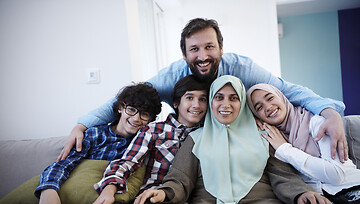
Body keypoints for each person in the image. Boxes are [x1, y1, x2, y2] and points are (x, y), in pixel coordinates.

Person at [58, 18, 348, 164]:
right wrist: (83, 124)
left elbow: (287, 90)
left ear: (221, 48)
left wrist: (330, 111)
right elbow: (132, 98)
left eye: (209, 47)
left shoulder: (242, 69)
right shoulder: (171, 76)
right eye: (194, 49)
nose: (202, 55)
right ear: (184, 55)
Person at [132, 75, 334, 204]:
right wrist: (164, 192)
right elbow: (180, 179)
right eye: (219, 97)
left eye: (233, 98)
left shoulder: (264, 134)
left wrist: (301, 193)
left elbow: (283, 175)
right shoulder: (195, 138)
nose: (225, 104)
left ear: (242, 102)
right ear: (211, 102)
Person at [0, 83, 162, 204]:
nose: (136, 118)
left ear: (151, 119)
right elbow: (63, 163)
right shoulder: (95, 134)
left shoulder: (144, 145)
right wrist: (49, 190)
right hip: (60, 195)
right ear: (120, 108)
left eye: (144, 114)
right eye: (131, 110)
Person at [85, 75, 209, 204]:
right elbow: (129, 161)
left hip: (171, 200)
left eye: (202, 99)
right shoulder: (155, 130)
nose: (196, 105)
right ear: (176, 103)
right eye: (189, 98)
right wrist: (109, 189)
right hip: (139, 194)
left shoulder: (208, 135)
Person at [247, 83, 360, 204]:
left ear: (282, 97)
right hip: (318, 200)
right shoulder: (271, 139)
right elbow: (282, 177)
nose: (267, 107)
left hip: (351, 188)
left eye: (270, 98)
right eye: (259, 107)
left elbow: (337, 175)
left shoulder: (316, 122)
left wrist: (285, 149)